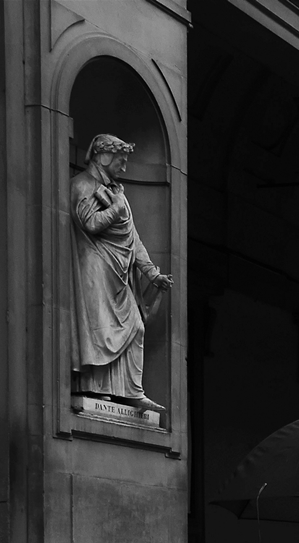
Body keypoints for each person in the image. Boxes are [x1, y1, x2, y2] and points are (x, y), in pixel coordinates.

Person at [70, 134, 173, 413]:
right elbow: (90, 223)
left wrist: (151, 273)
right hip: (94, 265)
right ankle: (93, 388)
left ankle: (130, 392)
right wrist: (116, 207)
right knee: (99, 329)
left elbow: (133, 237)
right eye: (121, 160)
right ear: (103, 157)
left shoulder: (116, 191)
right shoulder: (82, 185)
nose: (124, 167)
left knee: (136, 326)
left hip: (119, 269)